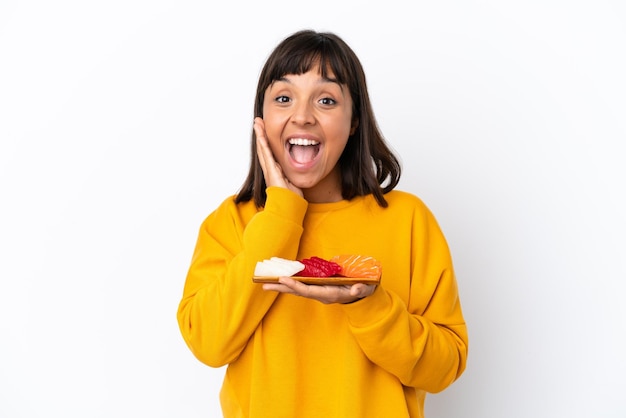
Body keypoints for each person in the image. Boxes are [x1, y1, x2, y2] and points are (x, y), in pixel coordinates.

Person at [177, 29, 468, 418]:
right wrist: (280, 215)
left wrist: (369, 304)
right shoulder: (232, 221)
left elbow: (445, 368)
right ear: (261, 120)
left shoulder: (408, 219)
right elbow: (208, 343)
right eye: (284, 98)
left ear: (354, 123)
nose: (302, 115)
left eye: (326, 100)